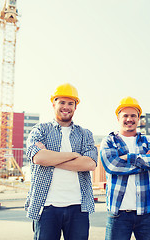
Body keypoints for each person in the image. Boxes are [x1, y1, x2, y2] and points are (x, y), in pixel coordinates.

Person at [25, 83, 98, 240]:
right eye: (62, 102)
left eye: (70, 103)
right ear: (54, 104)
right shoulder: (40, 130)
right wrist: (74, 155)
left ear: (75, 107)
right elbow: (38, 158)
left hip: (78, 207)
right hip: (46, 208)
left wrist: (50, 158)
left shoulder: (85, 134)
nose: (66, 107)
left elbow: (90, 164)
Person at [100, 96, 150, 240]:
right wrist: (145, 163)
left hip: (146, 213)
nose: (129, 119)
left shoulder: (148, 141)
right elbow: (112, 165)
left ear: (138, 118)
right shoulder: (109, 141)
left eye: (133, 115)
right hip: (118, 213)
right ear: (118, 118)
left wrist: (128, 158)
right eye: (125, 115)